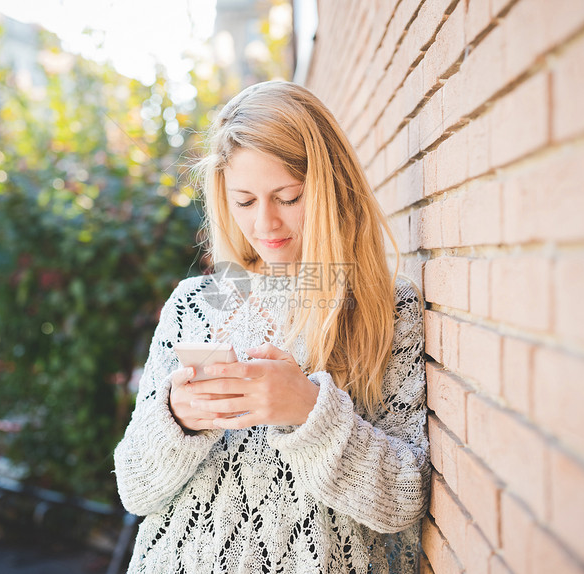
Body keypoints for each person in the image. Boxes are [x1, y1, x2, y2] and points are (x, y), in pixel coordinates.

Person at [114, 80, 430, 573]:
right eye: (244, 201)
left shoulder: (382, 307)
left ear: (330, 187)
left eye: (287, 196)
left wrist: (308, 411)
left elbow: (403, 500)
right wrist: (176, 418)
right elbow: (133, 489)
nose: (266, 224)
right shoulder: (199, 303)